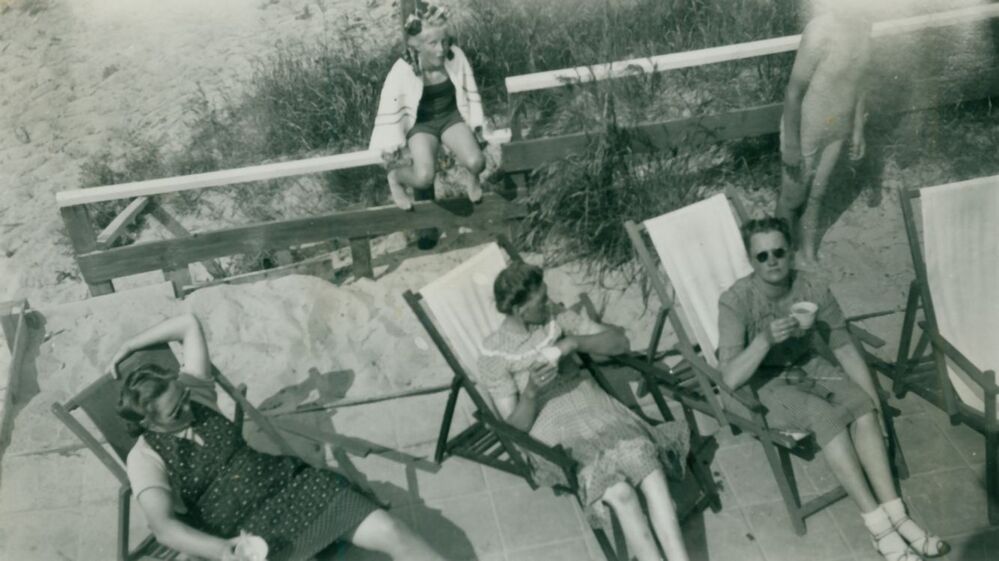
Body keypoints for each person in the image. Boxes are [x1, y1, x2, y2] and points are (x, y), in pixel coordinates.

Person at [109, 314, 445, 561]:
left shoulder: (194, 392)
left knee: (393, 532)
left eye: (183, 396)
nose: (188, 408)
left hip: (291, 486)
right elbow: (163, 527)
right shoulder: (144, 457)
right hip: (241, 532)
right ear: (148, 423)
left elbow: (188, 324)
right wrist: (222, 551)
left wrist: (129, 345)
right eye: (175, 412)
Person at [717, 218, 948, 561]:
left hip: (806, 366)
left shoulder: (812, 288)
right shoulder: (735, 301)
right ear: (751, 260)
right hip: (760, 383)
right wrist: (764, 339)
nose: (772, 261)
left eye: (779, 252)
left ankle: (898, 516)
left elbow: (843, 348)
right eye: (762, 256)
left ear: (791, 252)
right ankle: (878, 528)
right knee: (826, 417)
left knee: (862, 406)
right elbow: (730, 378)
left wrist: (876, 406)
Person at [479, 262, 692, 561]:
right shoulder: (494, 354)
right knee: (621, 494)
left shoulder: (555, 317)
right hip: (550, 426)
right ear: (519, 310)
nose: (548, 302)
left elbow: (620, 343)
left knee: (648, 466)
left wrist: (573, 343)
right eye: (541, 300)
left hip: (594, 406)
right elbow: (515, 428)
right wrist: (530, 392)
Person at [369, 2, 486, 226]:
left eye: (444, 41)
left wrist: (475, 123)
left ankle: (473, 179)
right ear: (417, 46)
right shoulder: (403, 69)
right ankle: (396, 178)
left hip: (450, 118)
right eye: (433, 44)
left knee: (477, 162)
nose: (441, 49)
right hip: (421, 126)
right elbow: (391, 108)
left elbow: (469, 91)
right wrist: (393, 144)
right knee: (424, 178)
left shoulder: (455, 56)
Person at [776, 9, 872, 269]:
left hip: (837, 130)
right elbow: (793, 92)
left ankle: (808, 253)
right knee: (792, 198)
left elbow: (860, 83)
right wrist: (792, 144)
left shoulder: (864, 26)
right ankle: (781, 257)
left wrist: (857, 129)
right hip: (805, 129)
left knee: (817, 194)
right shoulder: (819, 31)